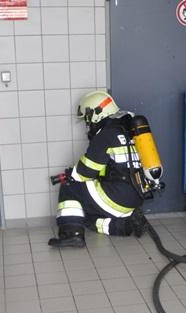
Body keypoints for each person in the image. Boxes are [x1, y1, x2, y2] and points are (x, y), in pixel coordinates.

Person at [48, 90, 147, 248]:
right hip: (136, 196)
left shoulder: (105, 136)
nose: (88, 125)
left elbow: (85, 171)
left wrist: (70, 174)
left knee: (69, 186)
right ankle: (123, 226)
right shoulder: (130, 130)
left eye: (88, 120)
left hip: (116, 198)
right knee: (88, 218)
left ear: (96, 114)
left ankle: (71, 234)